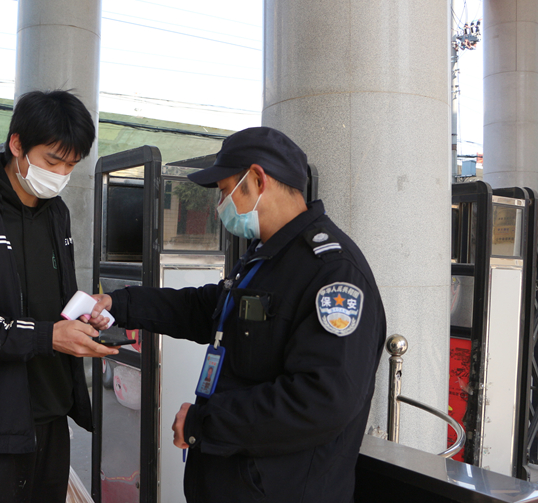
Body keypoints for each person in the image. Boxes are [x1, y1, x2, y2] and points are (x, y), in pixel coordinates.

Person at [89, 126, 387, 502]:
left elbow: (322, 400)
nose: (221, 205)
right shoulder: (266, 256)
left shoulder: (333, 273)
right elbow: (207, 309)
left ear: (258, 179)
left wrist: (205, 423)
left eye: (226, 189)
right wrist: (120, 304)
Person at [0, 89, 118, 503]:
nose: (61, 173)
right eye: (52, 160)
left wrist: (83, 317)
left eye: (71, 165)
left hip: (50, 411)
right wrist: (45, 336)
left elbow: (53, 303)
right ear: (17, 145)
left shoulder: (57, 213)